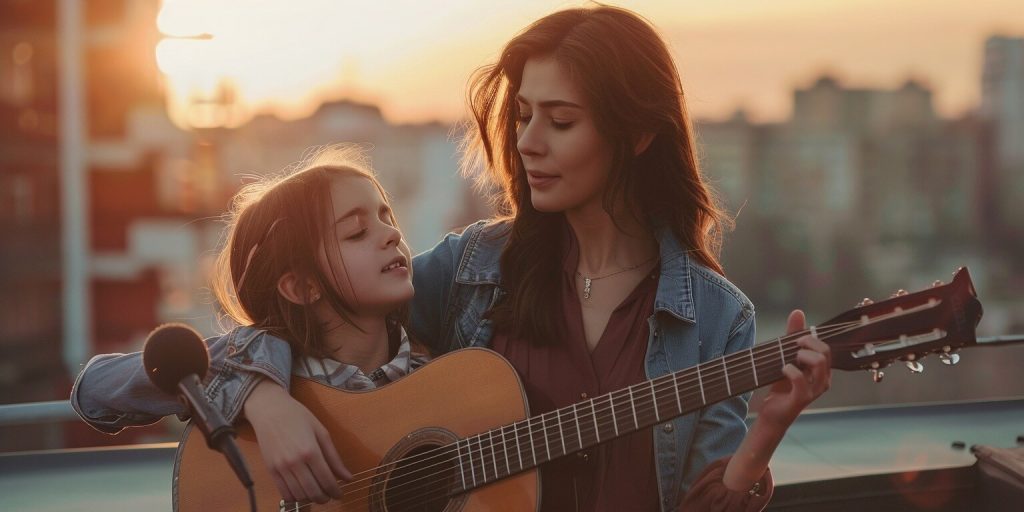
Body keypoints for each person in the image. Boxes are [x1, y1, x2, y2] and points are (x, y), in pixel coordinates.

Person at [236, 5, 832, 511]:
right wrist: (264, 402)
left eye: (561, 121)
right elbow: (280, 329)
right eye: (523, 116)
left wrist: (769, 430)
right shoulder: (472, 267)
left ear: (639, 134)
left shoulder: (715, 316)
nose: (527, 142)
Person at [70, 146, 429, 503]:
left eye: (388, 218)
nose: (391, 234)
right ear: (302, 287)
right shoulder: (279, 373)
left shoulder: (443, 383)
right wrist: (259, 395)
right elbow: (93, 387)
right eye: (356, 232)